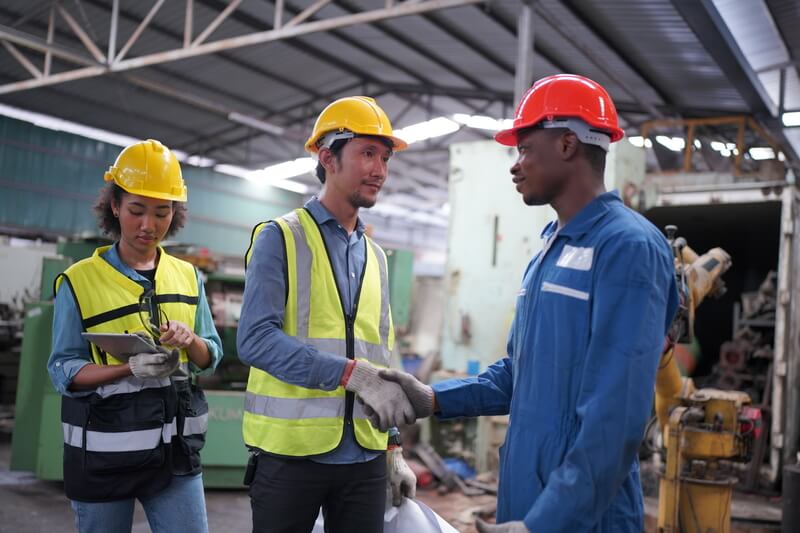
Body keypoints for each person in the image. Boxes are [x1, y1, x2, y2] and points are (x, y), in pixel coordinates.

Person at [380, 75, 680, 533]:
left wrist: (544, 524)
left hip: (582, 517)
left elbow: (615, 417)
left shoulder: (627, 247)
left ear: (566, 144)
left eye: (524, 148)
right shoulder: (549, 248)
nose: (515, 165)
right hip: (527, 498)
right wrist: (436, 398)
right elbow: (520, 373)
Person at [237, 96, 417, 533]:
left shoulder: (378, 257)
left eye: (385, 157)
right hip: (292, 456)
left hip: (366, 458)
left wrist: (393, 447)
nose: (380, 170)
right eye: (367, 153)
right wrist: (348, 374)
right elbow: (255, 339)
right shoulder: (279, 237)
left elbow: (382, 357)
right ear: (327, 157)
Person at [48, 139, 223, 533]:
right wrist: (127, 368)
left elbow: (210, 355)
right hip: (104, 454)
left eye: (162, 213)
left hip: (175, 452)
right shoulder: (78, 282)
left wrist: (190, 339)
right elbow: (63, 369)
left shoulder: (188, 276)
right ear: (115, 206)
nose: (149, 225)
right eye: (137, 211)